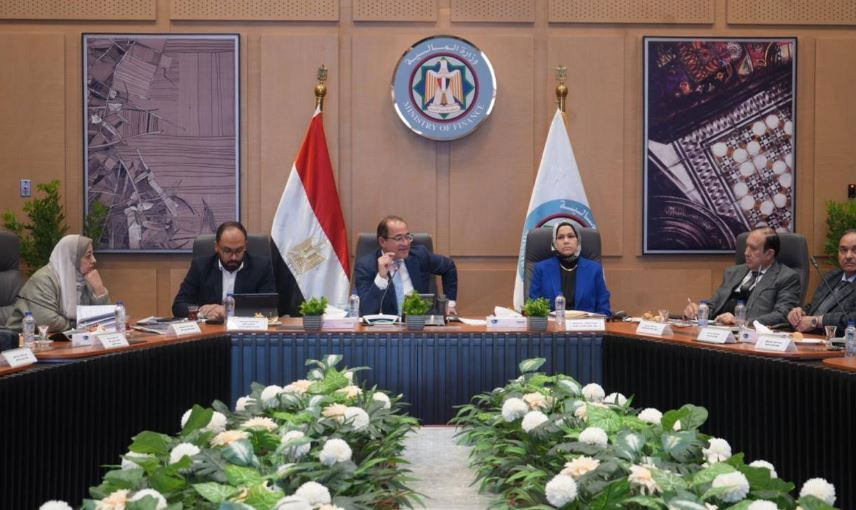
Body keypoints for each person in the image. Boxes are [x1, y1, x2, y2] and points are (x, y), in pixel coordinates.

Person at [684, 227, 801, 326]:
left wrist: (742, 322)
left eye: (753, 248)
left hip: (750, 336)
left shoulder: (787, 277)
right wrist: (698, 311)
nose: (746, 253)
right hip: (718, 330)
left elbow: (782, 314)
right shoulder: (733, 272)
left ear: (769, 254)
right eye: (746, 247)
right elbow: (714, 305)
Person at [354, 216, 457, 316]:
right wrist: (381, 277)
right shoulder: (366, 266)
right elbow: (366, 310)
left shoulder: (419, 256)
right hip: (385, 326)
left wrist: (450, 304)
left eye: (407, 237)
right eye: (399, 238)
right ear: (382, 241)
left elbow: (449, 266)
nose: (406, 243)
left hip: (418, 323)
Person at [172, 221, 275, 320]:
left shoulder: (261, 267)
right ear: (216, 247)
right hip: (210, 329)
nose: (233, 257)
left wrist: (228, 310)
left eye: (239, 250)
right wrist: (201, 312)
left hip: (245, 329)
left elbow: (269, 307)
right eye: (227, 251)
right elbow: (179, 305)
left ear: (245, 246)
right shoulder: (201, 266)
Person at [6, 234, 109, 332]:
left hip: (62, 339)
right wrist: (80, 325)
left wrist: (99, 290)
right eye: (88, 256)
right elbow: (47, 321)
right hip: (21, 339)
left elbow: (105, 320)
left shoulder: (84, 279)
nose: (94, 260)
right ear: (72, 257)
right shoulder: (43, 279)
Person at [528, 222, 611, 315]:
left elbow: (604, 309)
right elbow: (534, 307)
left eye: (571, 236)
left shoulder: (594, 269)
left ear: (578, 241)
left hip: (585, 323)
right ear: (554, 243)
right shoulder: (541, 269)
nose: (566, 241)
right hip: (552, 323)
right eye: (560, 237)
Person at [787, 229, 856, 333]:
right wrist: (799, 313)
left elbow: (853, 319)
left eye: (855, 250)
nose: (848, 256)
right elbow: (814, 307)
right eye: (843, 250)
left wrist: (817, 321)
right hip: (811, 338)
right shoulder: (832, 276)